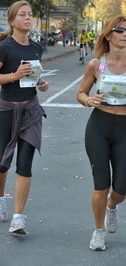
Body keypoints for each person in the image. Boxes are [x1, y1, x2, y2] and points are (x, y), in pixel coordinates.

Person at [76, 14, 126, 251]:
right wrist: (89, 100)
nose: (125, 34)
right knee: (101, 185)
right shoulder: (96, 64)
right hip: (99, 126)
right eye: (119, 30)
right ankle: (98, 232)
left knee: (122, 189)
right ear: (108, 35)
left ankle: (111, 207)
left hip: (125, 127)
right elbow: (81, 93)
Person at [0, 0, 49, 235]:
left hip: (30, 111)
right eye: (22, 14)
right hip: (6, 110)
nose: (28, 18)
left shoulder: (37, 48)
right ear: (12, 20)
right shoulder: (4, 47)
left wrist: (41, 83)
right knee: (2, 162)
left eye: (30, 14)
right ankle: (1, 200)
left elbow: (33, 75)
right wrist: (13, 75)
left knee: (25, 165)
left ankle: (18, 218)